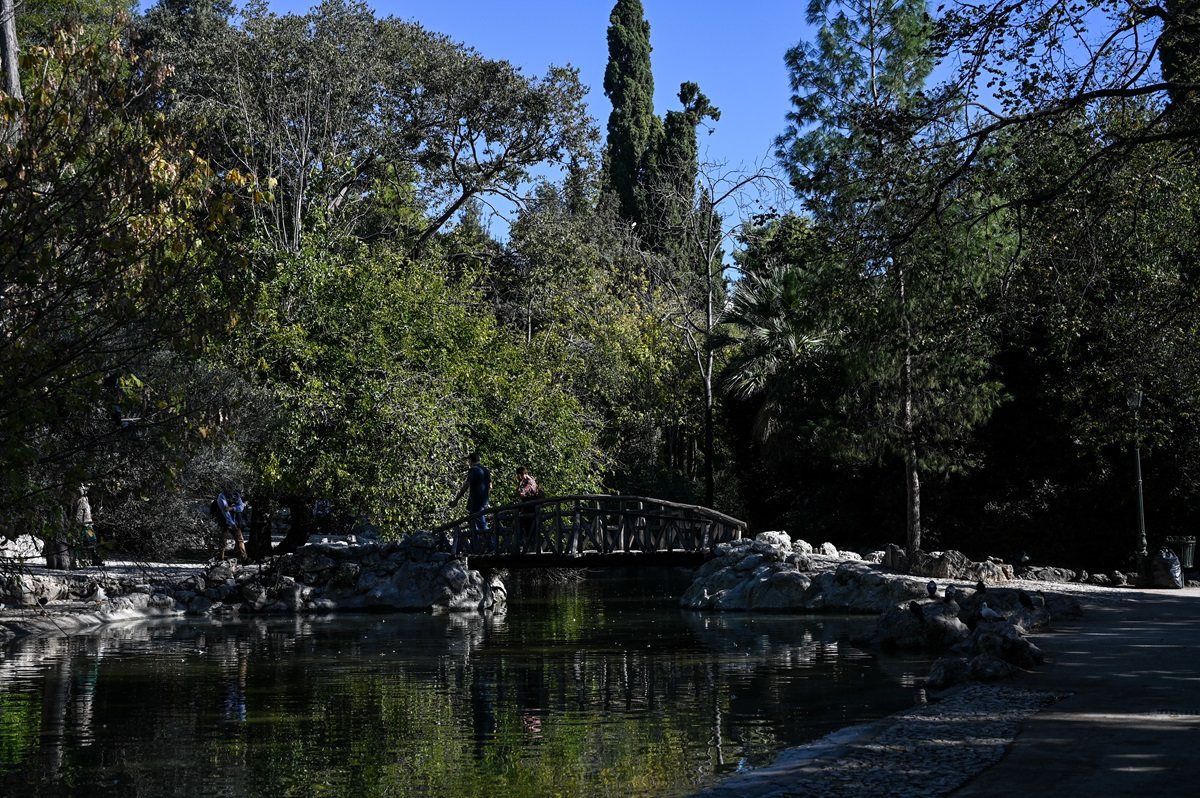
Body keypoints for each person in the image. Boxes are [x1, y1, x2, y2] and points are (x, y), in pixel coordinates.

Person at [451, 453, 492, 552]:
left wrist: (457, 499)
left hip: (476, 502)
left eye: (468, 460)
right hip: (484, 501)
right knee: (474, 523)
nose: (468, 463)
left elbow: (466, 485)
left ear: (471, 461)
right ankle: (475, 547)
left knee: (481, 524)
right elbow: (490, 486)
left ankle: (492, 545)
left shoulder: (473, 470)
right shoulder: (485, 470)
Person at [216, 487, 248, 562]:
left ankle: (244, 559)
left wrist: (232, 508)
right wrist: (231, 523)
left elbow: (241, 507)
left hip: (236, 521)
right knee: (222, 541)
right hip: (224, 522)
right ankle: (221, 559)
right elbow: (225, 511)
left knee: (240, 540)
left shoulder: (236, 495)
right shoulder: (221, 496)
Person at [74, 485, 102, 567]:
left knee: (92, 540)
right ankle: (76, 558)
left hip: (88, 524)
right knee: (79, 541)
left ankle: (95, 558)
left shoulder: (86, 499)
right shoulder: (78, 499)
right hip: (81, 525)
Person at [515, 467, 541, 554]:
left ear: (524, 474)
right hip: (528, 509)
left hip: (530, 509)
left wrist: (519, 486)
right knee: (529, 528)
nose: (519, 477)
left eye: (520, 475)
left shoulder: (530, 482)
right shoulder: (528, 481)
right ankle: (533, 547)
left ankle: (521, 546)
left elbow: (522, 494)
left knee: (521, 524)